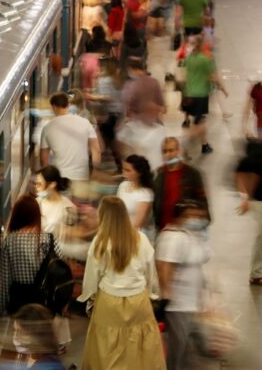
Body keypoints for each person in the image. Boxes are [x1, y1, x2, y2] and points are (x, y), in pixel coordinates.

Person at [78, 196, 165, 369]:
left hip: (109, 303)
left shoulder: (100, 242)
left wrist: (89, 298)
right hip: (138, 301)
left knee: (107, 349)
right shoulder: (141, 239)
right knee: (140, 351)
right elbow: (150, 273)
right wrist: (151, 293)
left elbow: (91, 277)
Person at [156, 199, 211, 370]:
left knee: (186, 348)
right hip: (178, 304)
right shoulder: (173, 237)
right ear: (179, 218)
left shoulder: (192, 235)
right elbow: (165, 266)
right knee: (177, 349)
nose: (196, 220)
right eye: (191, 216)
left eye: (199, 216)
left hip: (191, 302)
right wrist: (167, 295)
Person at [0, 196, 62, 316]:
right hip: (45, 301)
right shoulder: (50, 239)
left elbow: (4, 281)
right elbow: (60, 269)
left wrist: (3, 309)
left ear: (16, 216)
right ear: (36, 216)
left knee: (20, 332)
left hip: (19, 302)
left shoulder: (9, 241)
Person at [40, 93, 101, 198]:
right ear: (68, 105)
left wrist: (48, 179)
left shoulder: (47, 128)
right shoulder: (85, 123)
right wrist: (95, 171)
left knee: (63, 207)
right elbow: (96, 150)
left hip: (60, 177)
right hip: (81, 175)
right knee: (80, 207)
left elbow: (44, 159)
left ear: (53, 107)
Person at [235, 139, 262, 287]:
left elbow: (239, 174)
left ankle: (256, 273)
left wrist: (245, 197)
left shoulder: (248, 156)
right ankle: (256, 274)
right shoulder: (261, 157)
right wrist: (247, 198)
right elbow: (253, 176)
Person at [182, 35, 227, 154]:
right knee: (199, 122)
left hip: (189, 92)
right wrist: (223, 88)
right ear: (201, 45)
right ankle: (202, 145)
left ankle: (203, 143)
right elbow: (212, 76)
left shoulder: (190, 58)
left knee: (196, 120)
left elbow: (185, 72)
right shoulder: (204, 60)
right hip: (200, 94)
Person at [153, 137, 207, 231]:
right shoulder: (159, 175)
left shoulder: (192, 174)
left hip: (186, 231)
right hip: (163, 230)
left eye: (171, 150)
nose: (168, 155)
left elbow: (203, 205)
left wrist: (190, 213)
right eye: (164, 151)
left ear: (178, 151)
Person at [117, 154, 155, 240]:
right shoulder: (123, 186)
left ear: (139, 172)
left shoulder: (146, 194)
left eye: (128, 170)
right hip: (122, 231)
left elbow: (138, 223)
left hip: (139, 235)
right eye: (123, 169)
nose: (124, 172)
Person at [36, 166, 77, 239]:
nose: (36, 187)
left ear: (52, 185)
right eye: (36, 184)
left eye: (39, 184)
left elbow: (72, 234)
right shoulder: (36, 203)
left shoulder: (68, 207)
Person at [121, 56, 165, 121]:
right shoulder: (154, 82)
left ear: (131, 69)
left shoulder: (131, 85)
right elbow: (161, 104)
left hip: (137, 123)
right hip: (153, 122)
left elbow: (128, 105)